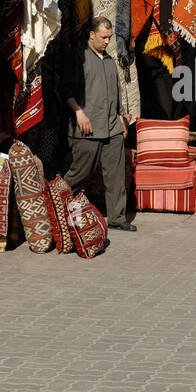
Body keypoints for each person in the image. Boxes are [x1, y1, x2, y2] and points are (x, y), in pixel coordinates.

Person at [60, 16, 136, 232]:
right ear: (91, 35)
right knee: (79, 174)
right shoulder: (78, 57)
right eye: (103, 37)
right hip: (87, 127)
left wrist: (122, 119)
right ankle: (57, 203)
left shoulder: (110, 61)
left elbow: (117, 93)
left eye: (109, 38)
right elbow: (66, 90)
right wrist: (79, 113)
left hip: (111, 126)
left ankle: (117, 218)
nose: (106, 41)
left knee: (115, 175)